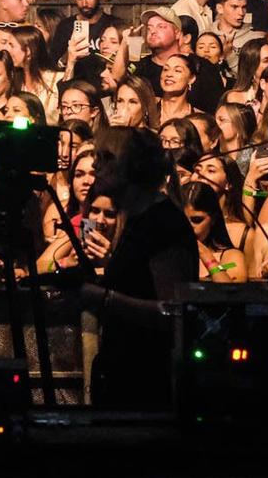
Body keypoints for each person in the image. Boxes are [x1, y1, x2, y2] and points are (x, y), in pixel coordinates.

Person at [76, 127, 199, 409]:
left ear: (134, 167)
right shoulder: (134, 218)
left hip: (149, 384)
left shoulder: (162, 223)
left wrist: (102, 299)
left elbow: (174, 311)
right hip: (124, 373)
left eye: (106, 158)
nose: (96, 166)